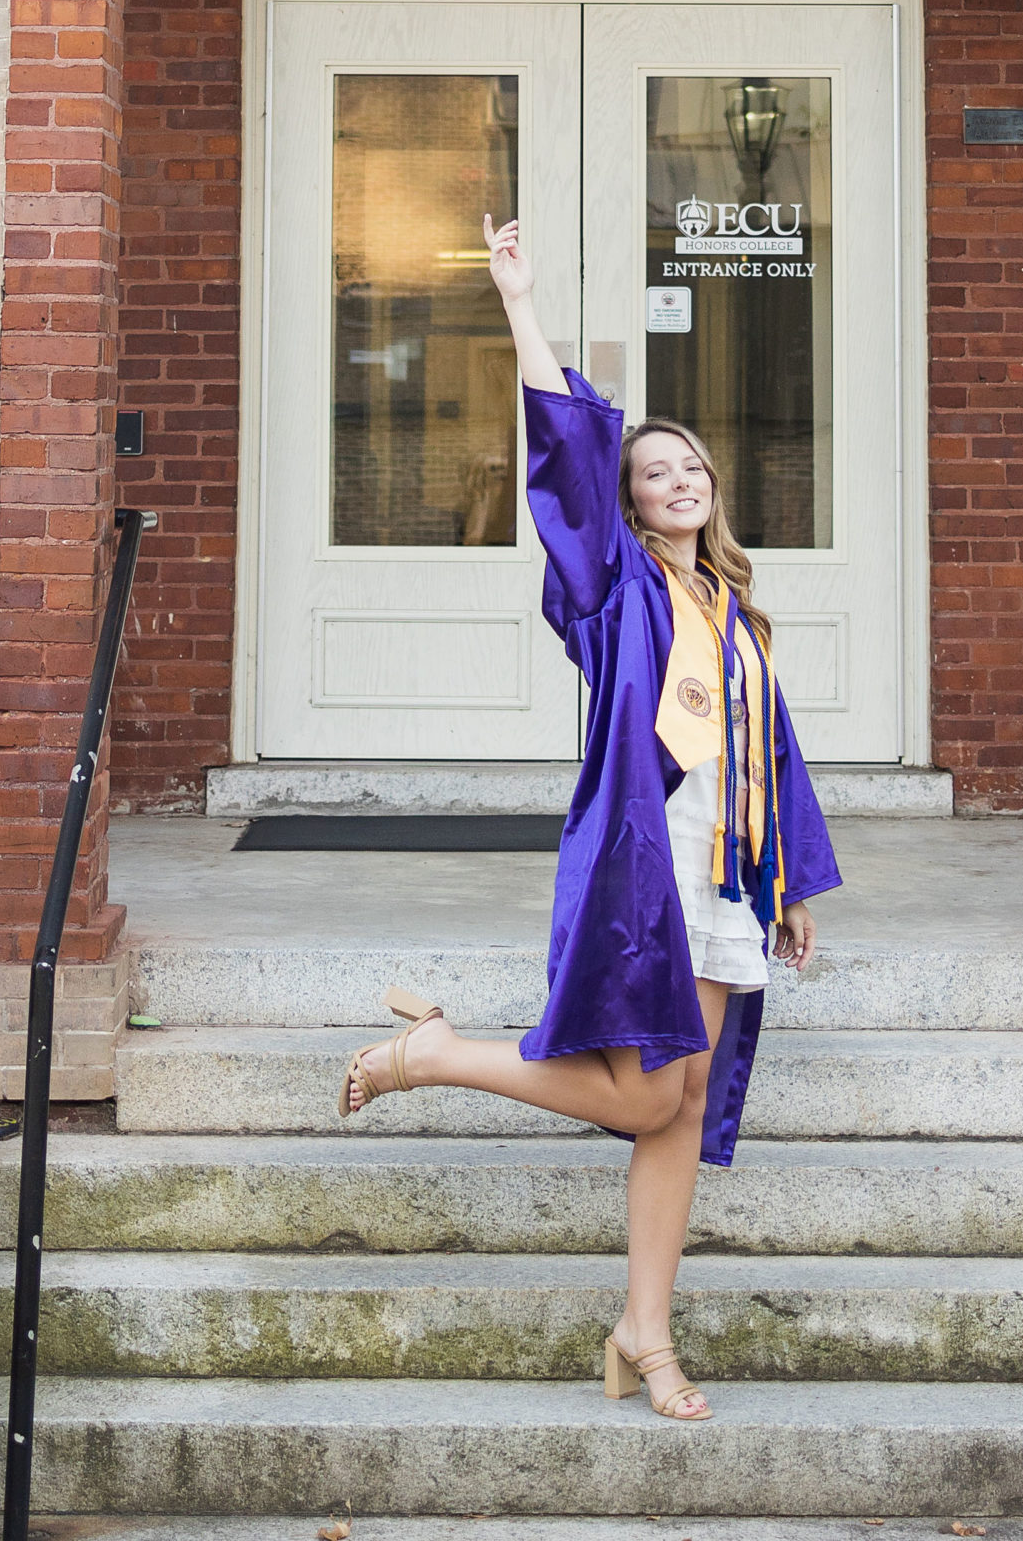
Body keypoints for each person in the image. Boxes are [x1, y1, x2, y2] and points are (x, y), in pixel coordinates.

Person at [339, 214, 842, 1422]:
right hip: (645, 865)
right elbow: (564, 454)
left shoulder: (733, 607)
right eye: (655, 470)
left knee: (676, 1108)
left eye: (694, 468)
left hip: (725, 872)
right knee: (639, 1095)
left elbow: (766, 754)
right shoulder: (606, 589)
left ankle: (643, 1333)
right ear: (626, 501)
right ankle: (439, 1054)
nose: (680, 481)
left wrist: (789, 884)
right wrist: (520, 305)